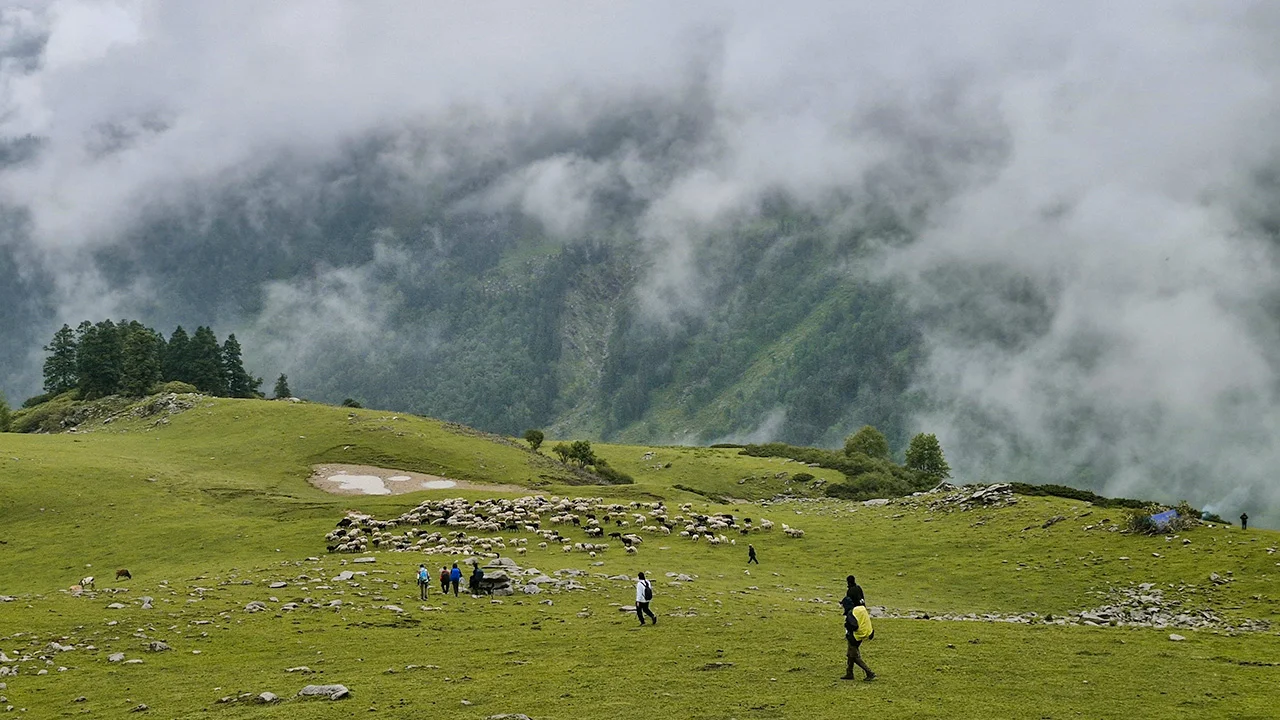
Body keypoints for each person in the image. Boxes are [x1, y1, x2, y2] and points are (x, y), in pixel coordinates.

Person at [842, 603, 876, 681]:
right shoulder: (859, 610)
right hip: (863, 633)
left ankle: (869, 673)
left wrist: (846, 626)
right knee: (850, 654)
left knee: (854, 656)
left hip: (855, 636)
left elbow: (854, 626)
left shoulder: (851, 614)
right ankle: (849, 673)